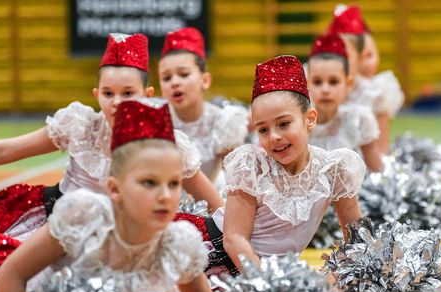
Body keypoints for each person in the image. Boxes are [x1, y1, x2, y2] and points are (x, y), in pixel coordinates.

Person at [0, 99, 270, 292]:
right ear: (114, 189)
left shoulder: (177, 244)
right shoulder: (85, 217)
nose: (164, 195)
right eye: (149, 183)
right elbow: (10, 276)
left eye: (174, 183)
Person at [0, 32, 222, 249]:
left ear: (147, 95)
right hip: (53, 223)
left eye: (128, 93)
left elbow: (215, 205)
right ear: (97, 94)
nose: (117, 102)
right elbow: (6, 149)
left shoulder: (168, 144)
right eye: (108, 93)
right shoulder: (81, 126)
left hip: (125, 240)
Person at [204, 55, 366, 275]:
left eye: (284, 124)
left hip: (268, 274)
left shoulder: (334, 169)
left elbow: (358, 243)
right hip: (215, 254)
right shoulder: (253, 165)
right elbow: (234, 239)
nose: (274, 136)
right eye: (263, 129)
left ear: (310, 119)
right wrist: (268, 286)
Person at [158, 27, 249, 183]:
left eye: (184, 74)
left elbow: (236, 180)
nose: (174, 82)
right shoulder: (155, 121)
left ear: (205, 80)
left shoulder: (224, 123)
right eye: (166, 78)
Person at [326, 4, 403, 154]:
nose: (365, 64)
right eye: (356, 57)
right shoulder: (325, 88)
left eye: (369, 55)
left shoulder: (379, 91)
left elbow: (382, 147)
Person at [307, 33, 383, 172]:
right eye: (317, 82)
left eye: (333, 82)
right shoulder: (299, 122)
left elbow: (377, 170)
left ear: (348, 84)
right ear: (307, 84)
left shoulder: (359, 120)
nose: (325, 90)